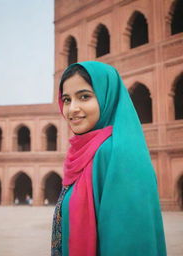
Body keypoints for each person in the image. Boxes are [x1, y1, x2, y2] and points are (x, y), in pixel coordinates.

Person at [51, 61, 167, 256]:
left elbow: (129, 242)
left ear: (108, 97)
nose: (72, 109)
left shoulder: (117, 153)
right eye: (67, 99)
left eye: (84, 97)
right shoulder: (86, 152)